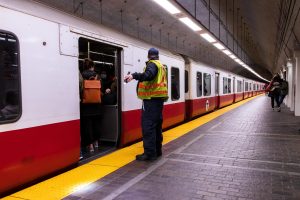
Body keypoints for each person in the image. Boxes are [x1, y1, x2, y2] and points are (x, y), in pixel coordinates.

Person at [124, 47, 168, 161]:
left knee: (148, 127)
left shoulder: (152, 65)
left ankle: (149, 153)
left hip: (151, 101)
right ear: (157, 55)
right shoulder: (161, 65)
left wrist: (133, 75)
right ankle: (157, 150)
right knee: (157, 126)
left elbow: (148, 75)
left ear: (149, 56)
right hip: (158, 101)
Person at [81, 58, 100, 152]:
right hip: (96, 104)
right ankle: (96, 142)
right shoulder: (96, 76)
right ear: (92, 66)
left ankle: (90, 145)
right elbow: (101, 88)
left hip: (86, 105)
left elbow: (80, 89)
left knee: (87, 126)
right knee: (96, 124)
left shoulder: (82, 75)